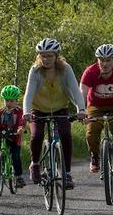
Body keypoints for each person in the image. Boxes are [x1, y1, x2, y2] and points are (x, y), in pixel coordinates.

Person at [22, 38, 87, 187]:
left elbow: (76, 91)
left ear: (56, 56)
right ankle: (35, 164)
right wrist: (26, 112)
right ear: (39, 56)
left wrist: (81, 109)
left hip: (60, 108)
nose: (46, 59)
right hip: (38, 109)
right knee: (37, 134)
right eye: (43, 56)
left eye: (50, 56)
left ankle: (67, 173)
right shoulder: (35, 70)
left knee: (65, 135)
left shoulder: (65, 69)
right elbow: (29, 93)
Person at [80, 43, 113, 183]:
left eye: (108, 60)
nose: (105, 63)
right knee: (91, 132)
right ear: (97, 60)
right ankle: (95, 157)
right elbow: (82, 93)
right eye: (101, 60)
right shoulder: (90, 72)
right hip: (95, 105)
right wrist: (81, 112)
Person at [0, 84, 27, 189]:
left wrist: (20, 128)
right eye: (6, 100)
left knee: (15, 156)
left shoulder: (19, 111)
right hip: (1, 134)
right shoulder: (0, 111)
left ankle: (19, 176)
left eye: (12, 101)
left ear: (16, 101)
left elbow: (22, 120)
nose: (9, 103)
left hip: (14, 136)